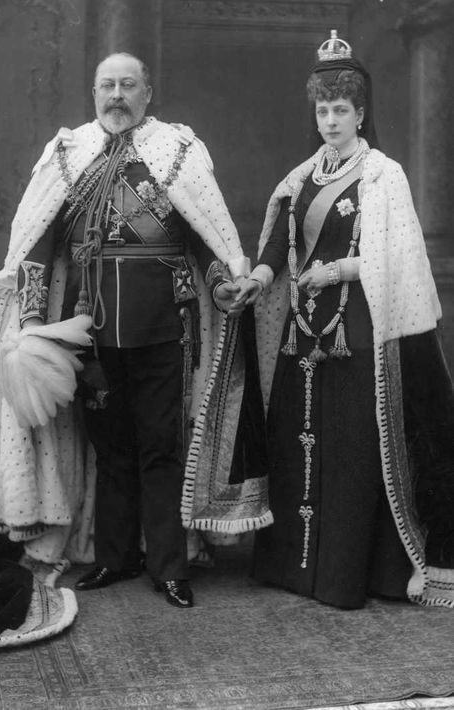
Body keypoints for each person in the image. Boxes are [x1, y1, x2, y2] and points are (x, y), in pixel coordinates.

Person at [0, 52, 262, 609]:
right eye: (107, 85)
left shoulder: (176, 152)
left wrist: (220, 280)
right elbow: (37, 242)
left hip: (164, 327)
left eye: (127, 85)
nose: (116, 96)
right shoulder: (68, 156)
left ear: (147, 93)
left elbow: (204, 233)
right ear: (93, 92)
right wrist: (34, 321)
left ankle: (168, 566)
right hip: (89, 331)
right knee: (109, 449)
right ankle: (114, 556)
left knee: (160, 447)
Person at [233, 31, 454, 609]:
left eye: (341, 110)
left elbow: (396, 259)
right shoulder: (301, 177)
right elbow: (282, 245)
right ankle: (294, 568)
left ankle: (346, 576)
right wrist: (260, 276)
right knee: (296, 442)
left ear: (360, 113)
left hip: (355, 330)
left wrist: (334, 273)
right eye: (323, 110)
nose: (330, 120)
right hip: (302, 332)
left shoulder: (384, 175)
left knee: (354, 449)